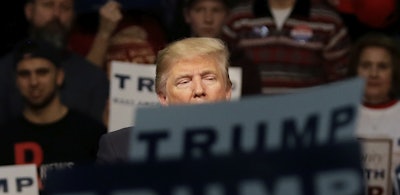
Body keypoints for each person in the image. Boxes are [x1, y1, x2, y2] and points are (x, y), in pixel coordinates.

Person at [0, 39, 107, 195]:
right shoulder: (3, 138)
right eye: (24, 74)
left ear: (59, 76)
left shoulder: (90, 132)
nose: (33, 82)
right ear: (15, 81)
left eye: (42, 72)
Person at [96, 37, 232, 163]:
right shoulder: (121, 149)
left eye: (209, 78)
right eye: (184, 82)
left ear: (227, 91)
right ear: (163, 97)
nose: (199, 90)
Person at [0, 0, 109, 125]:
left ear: (74, 15)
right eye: (48, 5)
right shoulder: (3, 72)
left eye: (65, 8)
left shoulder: (93, 78)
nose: (56, 14)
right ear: (29, 11)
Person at [349, 32, 400, 195]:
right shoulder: (338, 115)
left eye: (382, 66)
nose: (374, 73)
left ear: (394, 72)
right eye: (366, 65)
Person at [222, 0, 352, 94]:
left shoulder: (327, 21)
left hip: (307, 120)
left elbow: (340, 80)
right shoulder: (238, 19)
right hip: (251, 119)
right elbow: (222, 73)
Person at [177, 0, 262, 95]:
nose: (208, 19)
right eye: (200, 10)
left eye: (216, 10)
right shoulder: (170, 62)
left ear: (227, 16)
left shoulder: (244, 67)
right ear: (187, 15)